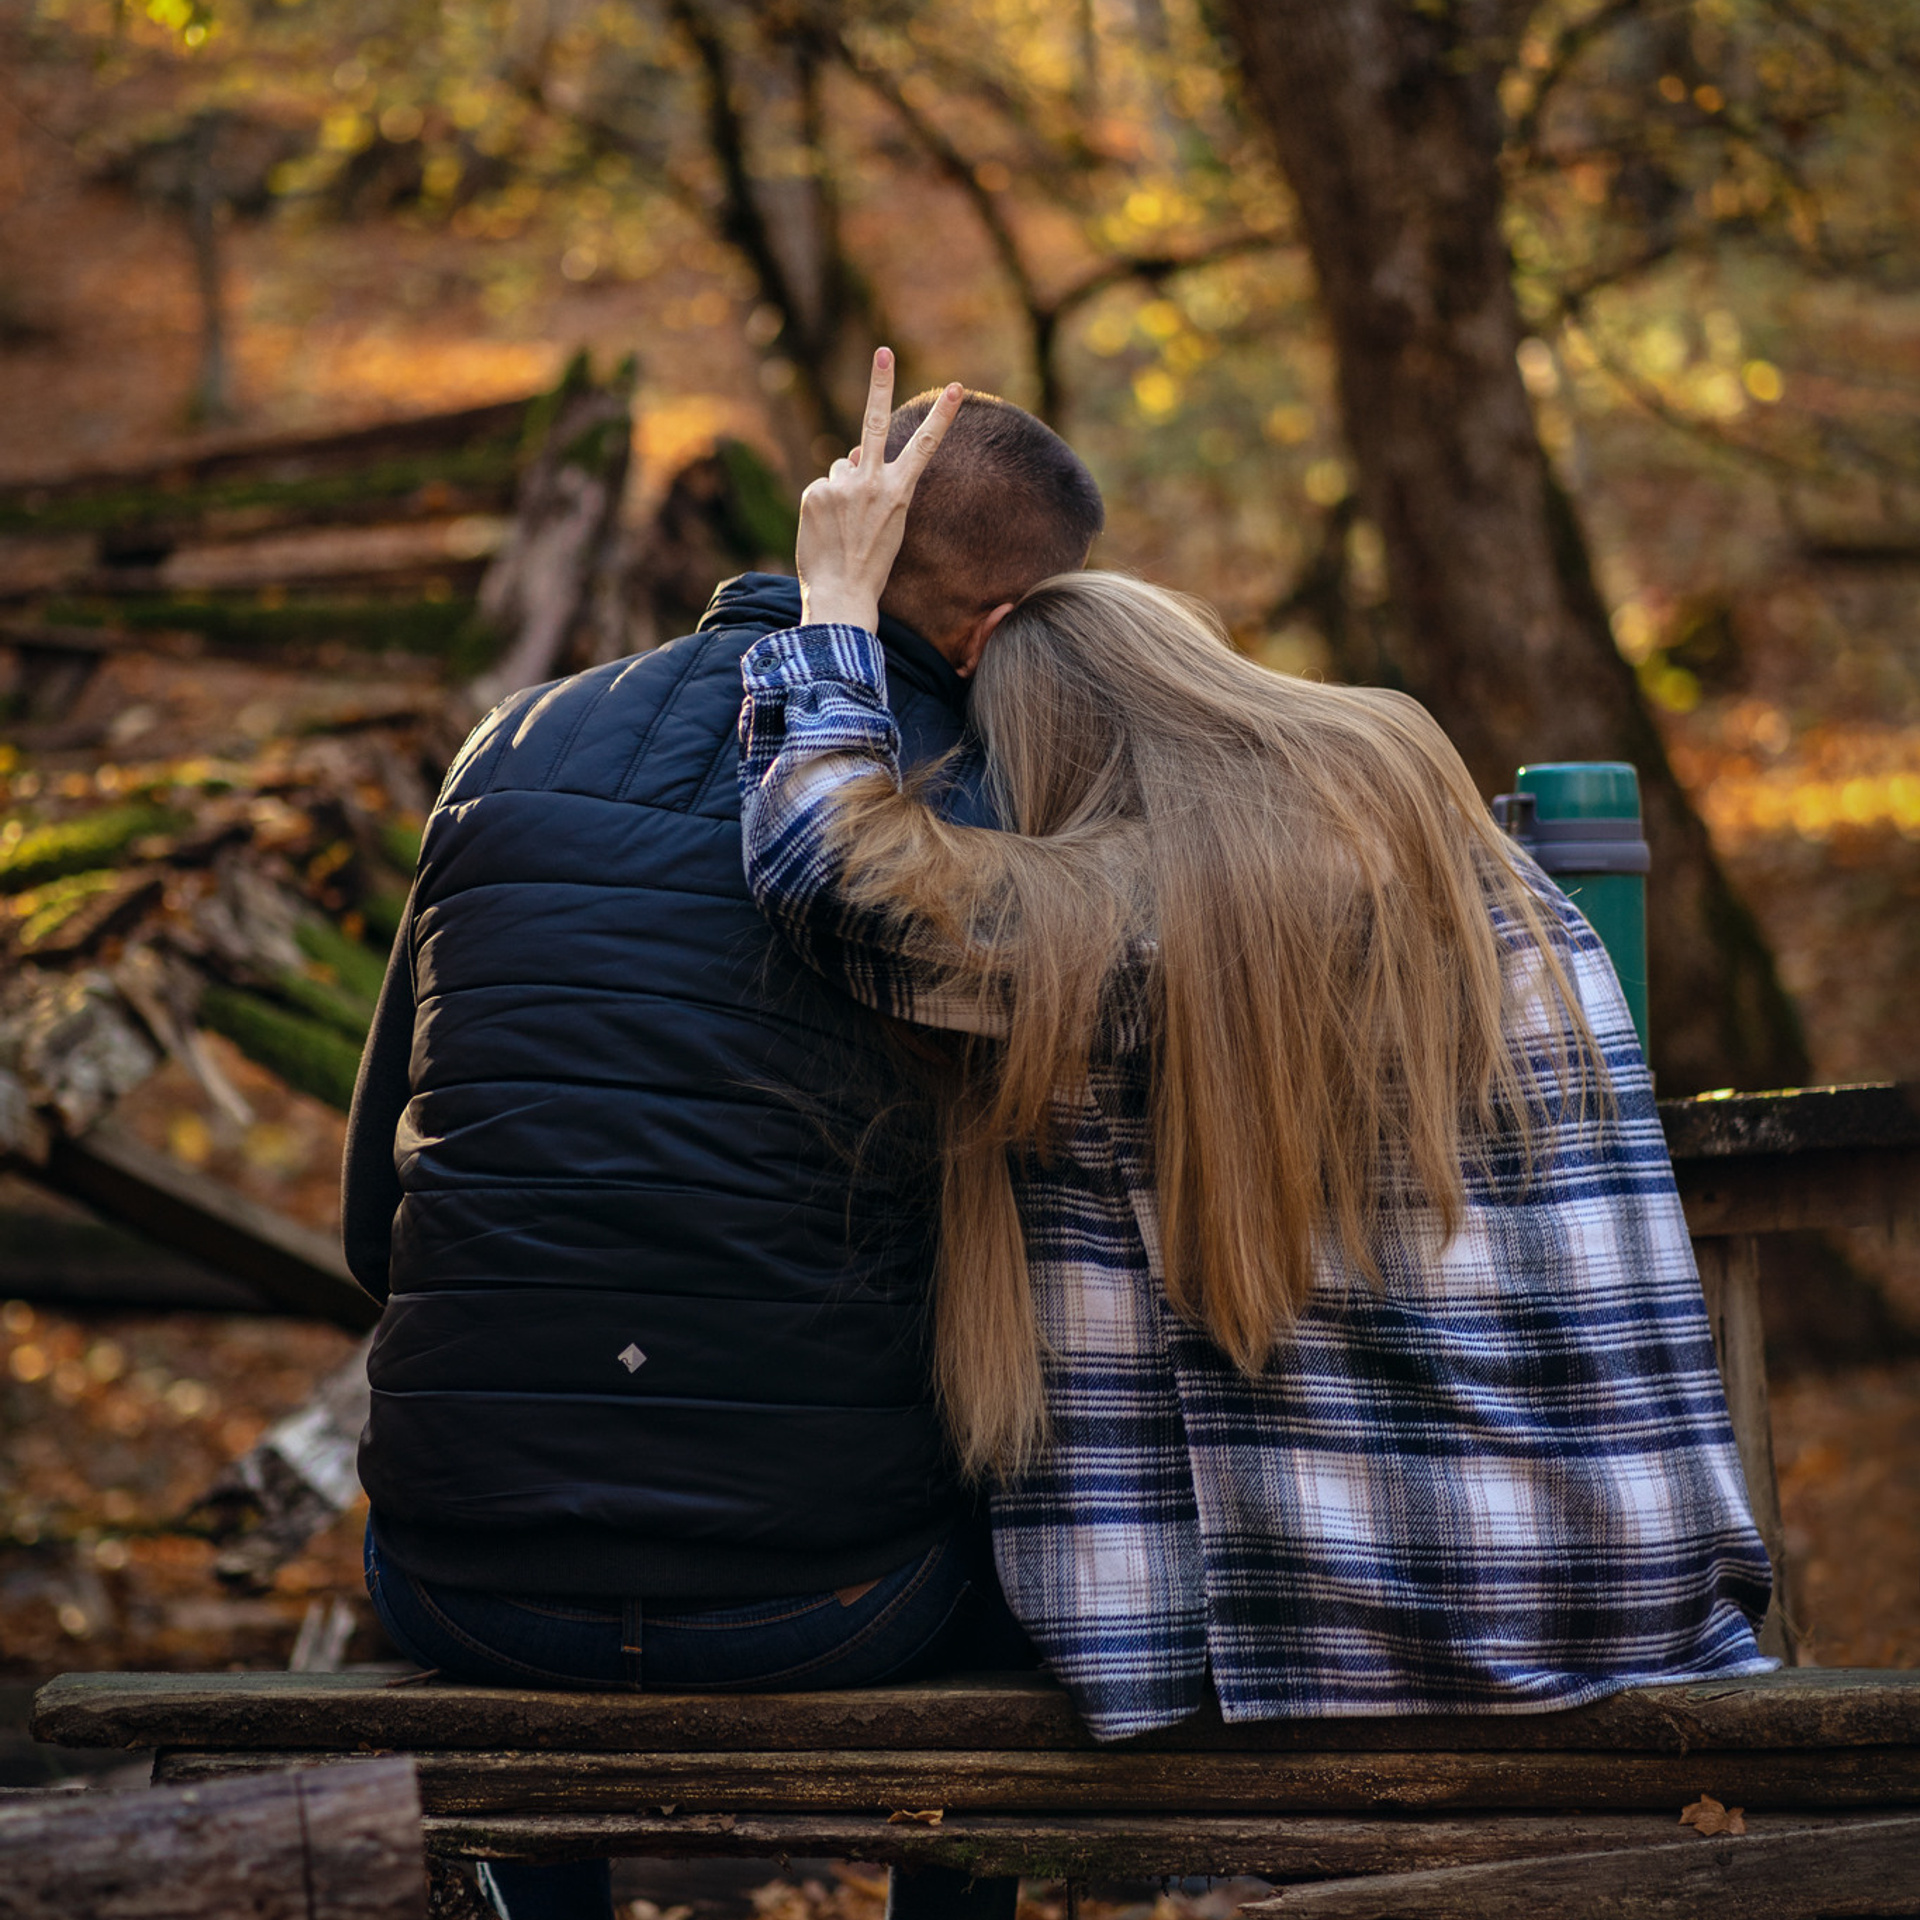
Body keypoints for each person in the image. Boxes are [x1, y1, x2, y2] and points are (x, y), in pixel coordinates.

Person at [739, 354, 1776, 1742]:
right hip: (1641, 1589)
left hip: (1395, 1641)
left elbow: (831, 872)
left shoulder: (1148, 920)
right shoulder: (1449, 836)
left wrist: (832, 611)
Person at [341, 364, 1103, 1917]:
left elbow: (376, 1226)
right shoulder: (991, 806)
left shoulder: (513, 742)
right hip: (835, 1598)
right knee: (1041, 1562)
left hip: (463, 1588)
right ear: (1007, 627)